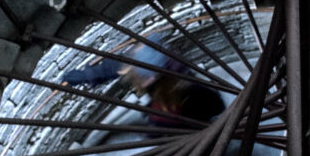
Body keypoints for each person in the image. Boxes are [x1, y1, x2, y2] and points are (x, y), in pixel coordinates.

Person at [60, 34, 226, 129]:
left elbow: (215, 105)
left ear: (149, 80)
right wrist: (87, 75)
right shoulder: (156, 63)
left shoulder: (190, 94)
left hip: (188, 125)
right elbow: (117, 66)